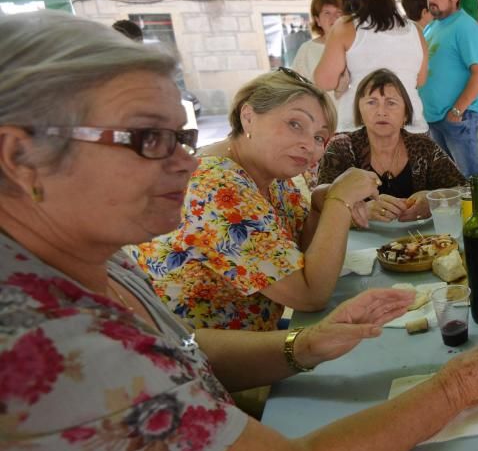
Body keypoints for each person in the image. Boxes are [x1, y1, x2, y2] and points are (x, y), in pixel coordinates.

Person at [0, 10, 478, 451]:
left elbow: (186, 349)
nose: (187, 162)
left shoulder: (88, 261)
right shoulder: (35, 344)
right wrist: (454, 391)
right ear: (20, 157)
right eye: (149, 139)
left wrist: (304, 345)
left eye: (180, 136)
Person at [137, 67, 379, 332]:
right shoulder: (216, 187)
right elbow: (310, 295)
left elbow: (301, 257)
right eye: (295, 124)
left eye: (319, 137)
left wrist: (321, 205)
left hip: (258, 333)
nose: (309, 146)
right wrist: (339, 202)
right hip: (204, 361)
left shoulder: (271, 176)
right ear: (248, 117)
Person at [319, 69, 466, 223]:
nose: (381, 112)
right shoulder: (341, 148)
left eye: (391, 103)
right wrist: (361, 211)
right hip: (355, 244)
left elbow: (466, 190)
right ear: (359, 111)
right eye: (372, 102)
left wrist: (433, 200)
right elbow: (319, 206)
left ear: (406, 113)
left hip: (418, 242)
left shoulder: (424, 147)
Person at [314, 0, 429, 134]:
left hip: (361, 127)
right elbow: (420, 80)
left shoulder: (345, 27)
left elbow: (324, 81)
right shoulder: (415, 30)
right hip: (410, 126)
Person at [419, 0, 478, 176]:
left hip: (457, 118)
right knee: (448, 184)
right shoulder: (432, 27)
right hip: (435, 119)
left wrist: (457, 112)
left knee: (469, 181)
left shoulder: (465, 26)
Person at [291, 0, 343, 80]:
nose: (334, 17)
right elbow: (296, 83)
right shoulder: (307, 50)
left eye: (338, 12)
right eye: (327, 13)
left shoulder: (355, 45)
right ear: (317, 20)